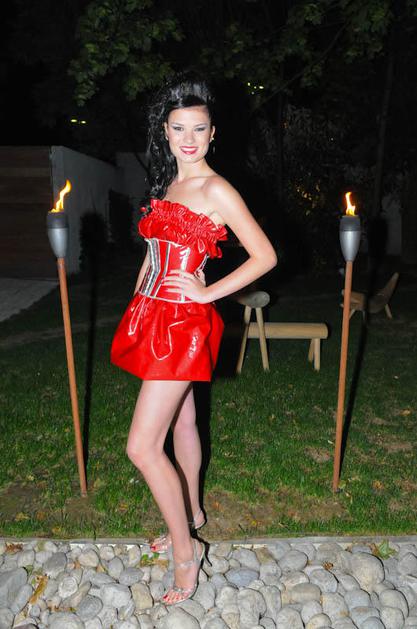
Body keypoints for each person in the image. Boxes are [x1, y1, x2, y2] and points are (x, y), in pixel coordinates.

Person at [111, 76, 277, 606]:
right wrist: (139, 297)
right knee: (183, 421)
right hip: (154, 315)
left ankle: (186, 552)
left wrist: (206, 293)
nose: (188, 139)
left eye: (198, 129)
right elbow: (152, 253)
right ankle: (192, 513)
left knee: (141, 446)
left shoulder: (216, 190)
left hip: (183, 323)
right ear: (164, 132)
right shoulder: (165, 186)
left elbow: (265, 256)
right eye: (179, 128)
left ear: (212, 133)